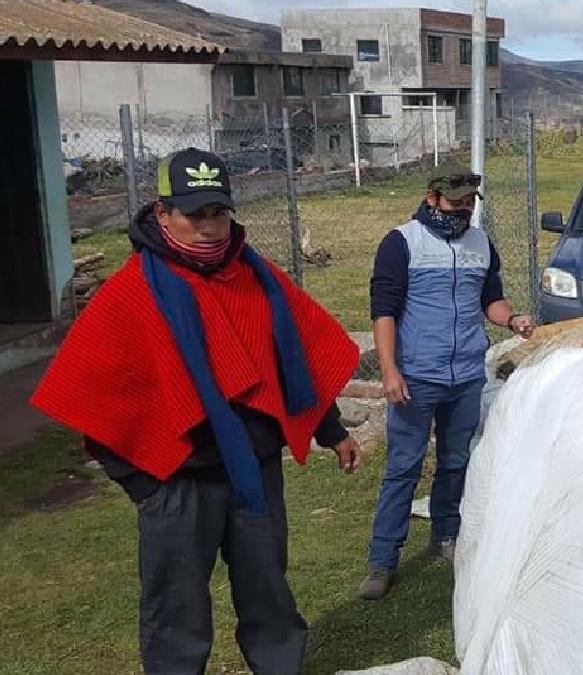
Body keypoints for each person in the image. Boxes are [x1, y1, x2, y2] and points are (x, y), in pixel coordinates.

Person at [30, 148, 363, 675]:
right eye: (194, 214)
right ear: (163, 214)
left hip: (255, 472)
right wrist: (140, 487)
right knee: (176, 612)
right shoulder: (133, 291)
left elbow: (293, 361)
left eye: (219, 213)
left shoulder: (258, 277)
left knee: (269, 595)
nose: (209, 227)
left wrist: (331, 430)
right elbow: (95, 391)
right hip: (177, 482)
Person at [359, 168, 535, 601]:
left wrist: (511, 319)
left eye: (470, 203)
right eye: (456, 202)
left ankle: (446, 536)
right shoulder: (401, 243)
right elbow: (384, 311)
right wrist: (389, 370)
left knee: (456, 461)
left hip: (465, 376)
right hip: (417, 377)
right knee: (403, 467)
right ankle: (383, 560)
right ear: (432, 199)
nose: (464, 210)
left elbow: (489, 299)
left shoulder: (480, 244)